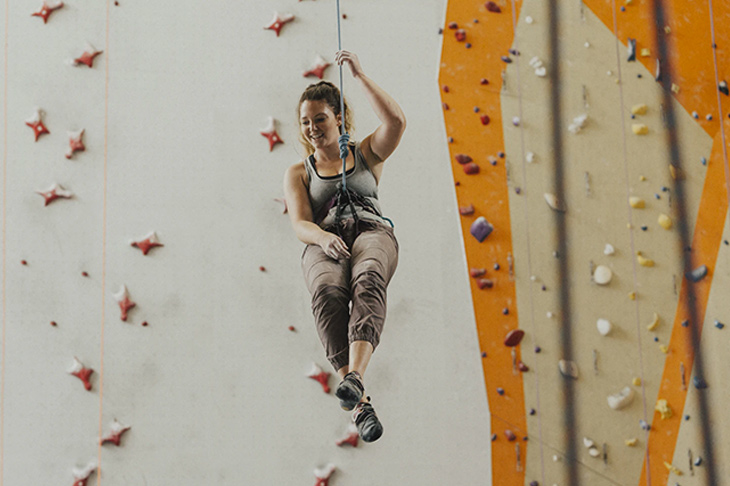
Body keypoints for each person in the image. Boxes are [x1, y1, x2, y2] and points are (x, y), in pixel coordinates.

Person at [283, 50, 405, 443]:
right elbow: (300, 222)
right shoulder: (300, 172)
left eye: (320, 118)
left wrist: (359, 74)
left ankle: (355, 378)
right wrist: (322, 237)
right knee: (327, 293)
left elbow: (396, 122)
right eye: (306, 122)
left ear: (338, 117)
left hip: (370, 231)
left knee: (368, 277)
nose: (313, 128)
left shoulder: (365, 152)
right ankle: (359, 402)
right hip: (327, 240)